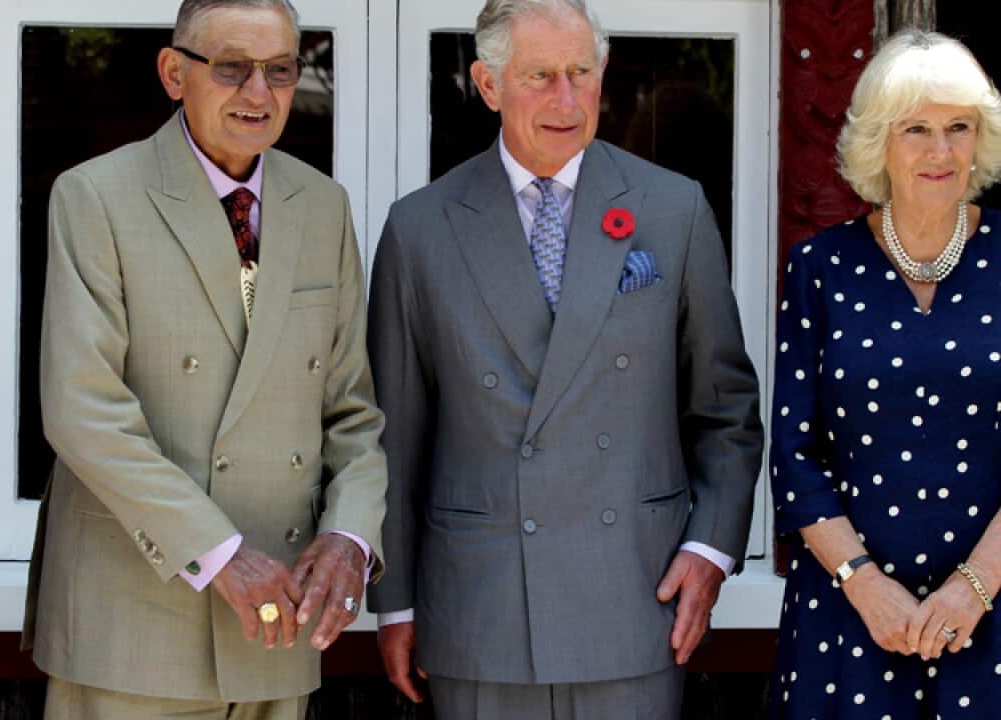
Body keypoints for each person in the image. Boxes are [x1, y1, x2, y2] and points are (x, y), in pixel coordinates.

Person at [366, 0, 763, 718]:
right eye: (540, 76)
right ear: (488, 86)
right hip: (479, 608)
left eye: (581, 72)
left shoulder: (672, 211)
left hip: (637, 601)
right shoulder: (420, 227)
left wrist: (711, 550)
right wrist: (393, 606)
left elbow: (726, 409)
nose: (566, 99)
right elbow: (394, 435)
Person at [20, 1, 387, 718]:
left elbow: (352, 410)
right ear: (172, 72)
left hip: (278, 631)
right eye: (231, 68)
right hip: (132, 625)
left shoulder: (323, 205)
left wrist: (349, 535)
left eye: (281, 71)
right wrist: (219, 553)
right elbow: (82, 410)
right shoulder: (96, 197)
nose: (260, 93)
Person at [770, 29, 1001, 719]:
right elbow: (792, 452)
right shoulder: (820, 269)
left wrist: (976, 586)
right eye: (917, 129)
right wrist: (865, 585)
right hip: (846, 617)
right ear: (880, 142)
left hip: (993, 612)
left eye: (958, 127)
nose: (940, 150)